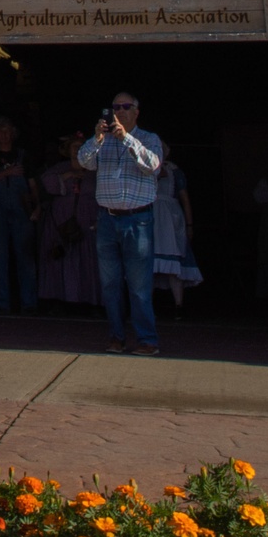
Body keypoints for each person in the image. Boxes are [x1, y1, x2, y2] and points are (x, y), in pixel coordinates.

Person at [77, 91, 162, 354]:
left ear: (136, 112)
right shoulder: (102, 141)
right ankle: (116, 337)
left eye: (126, 107)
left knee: (138, 287)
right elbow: (84, 162)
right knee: (110, 285)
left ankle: (147, 340)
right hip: (107, 220)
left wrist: (126, 138)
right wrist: (97, 138)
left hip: (138, 221)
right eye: (116, 107)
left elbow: (153, 166)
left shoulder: (149, 138)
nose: (120, 111)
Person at [0, 116, 39, 315]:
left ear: (13, 134)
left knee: (26, 258)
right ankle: (1, 303)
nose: (4, 135)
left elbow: (33, 185)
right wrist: (8, 172)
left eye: (7, 131)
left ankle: (29, 303)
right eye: (0, 132)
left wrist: (37, 207)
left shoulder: (23, 155)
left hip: (22, 211)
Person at [37, 131, 100, 308]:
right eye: (74, 147)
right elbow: (47, 184)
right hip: (60, 222)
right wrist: (67, 176)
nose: (77, 150)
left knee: (87, 260)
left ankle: (88, 302)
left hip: (87, 222)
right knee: (60, 259)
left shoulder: (95, 171)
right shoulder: (59, 168)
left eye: (81, 147)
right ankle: (58, 301)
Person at [152, 142, 202, 310]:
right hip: (149, 217)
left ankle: (178, 305)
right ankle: (146, 306)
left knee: (174, 261)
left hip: (170, 218)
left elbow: (185, 199)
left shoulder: (174, 170)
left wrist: (189, 225)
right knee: (146, 263)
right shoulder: (140, 168)